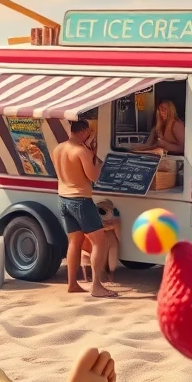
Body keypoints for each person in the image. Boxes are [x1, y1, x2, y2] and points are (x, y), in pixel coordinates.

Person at [52, 120, 114, 298]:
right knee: (99, 242)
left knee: (74, 242)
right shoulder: (81, 151)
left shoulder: (59, 148)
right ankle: (96, 286)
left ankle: (72, 283)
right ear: (85, 131)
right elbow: (93, 177)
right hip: (80, 199)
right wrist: (98, 163)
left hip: (63, 197)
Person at [81, 200, 120, 286]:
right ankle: (106, 278)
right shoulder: (113, 221)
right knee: (105, 252)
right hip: (99, 241)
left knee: (97, 255)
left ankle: (92, 278)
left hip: (93, 240)